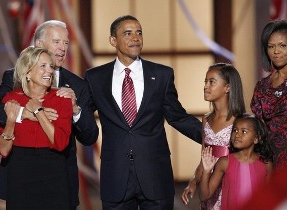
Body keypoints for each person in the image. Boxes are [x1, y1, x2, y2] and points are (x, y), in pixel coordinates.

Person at [84, 15, 202, 210]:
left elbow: (177, 117)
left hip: (155, 175)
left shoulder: (162, 75)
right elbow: (84, 119)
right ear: (113, 40)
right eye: (128, 33)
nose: (135, 38)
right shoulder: (95, 77)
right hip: (115, 177)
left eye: (139, 32)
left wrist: (214, 136)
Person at [0, 20, 98, 209]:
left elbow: (90, 136)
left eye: (66, 43)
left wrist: (76, 110)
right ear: (39, 44)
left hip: (59, 178)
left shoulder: (78, 85)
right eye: (57, 42)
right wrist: (24, 113)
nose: (62, 48)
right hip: (20, 175)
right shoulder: (15, 77)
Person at [0, 46, 72, 209]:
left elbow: (60, 142)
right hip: (20, 173)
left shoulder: (62, 98)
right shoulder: (11, 98)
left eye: (51, 66)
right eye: (43, 66)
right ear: (28, 73)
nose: (49, 71)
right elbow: (3, 150)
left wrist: (38, 111)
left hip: (53, 173)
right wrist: (11, 119)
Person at [181, 63, 246, 209]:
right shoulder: (206, 119)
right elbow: (204, 158)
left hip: (231, 186)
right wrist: (193, 181)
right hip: (208, 185)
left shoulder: (240, 121)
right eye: (205, 82)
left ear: (227, 88)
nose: (205, 86)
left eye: (212, 82)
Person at [250, 19, 287, 169]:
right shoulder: (262, 87)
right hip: (277, 165)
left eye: (282, 45)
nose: (276, 51)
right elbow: (260, 132)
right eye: (271, 46)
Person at [199, 113, 273, 210]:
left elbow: (270, 197)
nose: (237, 134)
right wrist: (206, 172)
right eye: (235, 130)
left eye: (244, 131)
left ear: (256, 138)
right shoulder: (224, 162)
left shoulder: (266, 164)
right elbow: (204, 196)